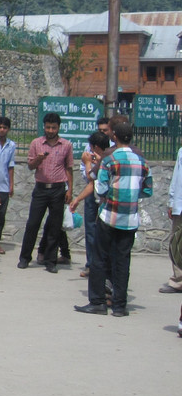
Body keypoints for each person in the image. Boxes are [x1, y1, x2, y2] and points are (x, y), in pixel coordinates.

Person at [75, 120, 153, 317]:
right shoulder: (141, 161)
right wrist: (132, 196)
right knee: (122, 261)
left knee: (99, 259)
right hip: (130, 219)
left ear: (114, 137)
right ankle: (119, 305)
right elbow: (147, 189)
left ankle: (97, 301)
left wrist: (110, 195)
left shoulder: (109, 160)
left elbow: (100, 188)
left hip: (109, 216)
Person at [17, 112, 73, 274]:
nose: (50, 130)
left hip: (58, 189)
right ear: (44, 127)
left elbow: (69, 168)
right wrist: (38, 160)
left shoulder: (66, 145)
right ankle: (25, 257)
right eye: (48, 127)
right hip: (41, 188)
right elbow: (30, 166)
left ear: (58, 128)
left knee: (55, 226)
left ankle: (50, 260)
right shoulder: (36, 143)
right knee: (33, 223)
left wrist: (70, 190)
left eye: (53, 128)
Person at [78, 117, 113, 277]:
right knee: (91, 230)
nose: (102, 133)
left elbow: (93, 175)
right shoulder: (89, 147)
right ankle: (91, 263)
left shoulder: (113, 150)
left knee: (105, 232)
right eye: (100, 130)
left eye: (105, 130)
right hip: (92, 194)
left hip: (106, 197)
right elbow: (88, 178)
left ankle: (102, 267)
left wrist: (90, 165)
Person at [0, 115, 16, 256]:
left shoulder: (11, 145)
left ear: (8, 129)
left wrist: (11, 184)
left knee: (1, 216)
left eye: (4, 127)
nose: (1, 130)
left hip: (4, 185)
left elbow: (10, 166)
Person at [160, 146, 182, 294]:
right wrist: (172, 200)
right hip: (180, 206)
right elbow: (177, 177)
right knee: (177, 243)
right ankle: (178, 280)